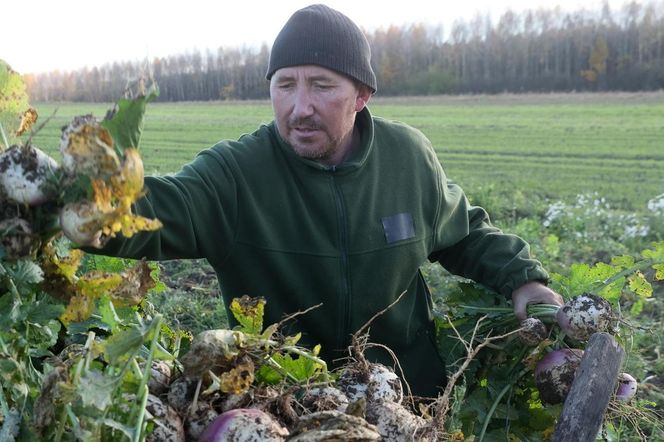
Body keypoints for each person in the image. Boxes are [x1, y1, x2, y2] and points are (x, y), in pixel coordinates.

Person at [78, 4, 563, 397]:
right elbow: (154, 209)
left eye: (322, 85)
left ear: (361, 95)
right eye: (285, 85)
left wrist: (522, 280)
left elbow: (463, 233)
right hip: (284, 401)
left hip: (408, 400)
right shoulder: (235, 173)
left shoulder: (407, 158)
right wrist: (65, 200)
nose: (300, 107)